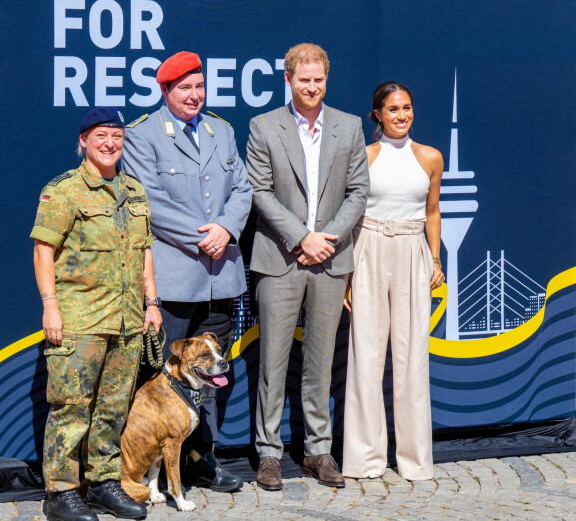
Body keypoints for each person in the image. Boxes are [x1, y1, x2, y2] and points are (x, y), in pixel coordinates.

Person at [122, 51, 252, 493]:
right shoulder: (141, 137)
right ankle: (146, 466)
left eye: (199, 87)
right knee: (163, 377)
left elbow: (244, 188)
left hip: (222, 277)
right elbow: (151, 203)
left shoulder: (223, 131)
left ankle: (203, 458)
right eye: (184, 89)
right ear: (165, 91)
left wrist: (227, 227)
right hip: (176, 277)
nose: (194, 96)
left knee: (212, 374)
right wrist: (203, 236)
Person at [246, 43, 370, 491]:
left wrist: (326, 240)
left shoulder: (350, 126)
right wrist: (302, 238)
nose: (312, 87)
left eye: (319, 80)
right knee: (273, 363)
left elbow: (358, 191)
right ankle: (269, 454)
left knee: (320, 362)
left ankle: (318, 451)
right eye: (304, 80)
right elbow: (259, 191)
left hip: (330, 261)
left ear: (326, 79)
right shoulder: (264, 127)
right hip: (280, 259)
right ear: (289, 80)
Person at [31, 107, 162, 521]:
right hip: (80, 319)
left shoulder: (134, 192)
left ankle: (104, 483)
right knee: (71, 408)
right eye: (102, 135)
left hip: (125, 321)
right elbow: (43, 250)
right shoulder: (65, 190)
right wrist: (50, 306)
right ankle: (61, 492)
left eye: (117, 137)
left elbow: (144, 252)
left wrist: (152, 302)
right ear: (84, 140)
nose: (110, 144)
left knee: (113, 408)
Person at [342, 81, 445, 481]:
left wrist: (435, 259)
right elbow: (350, 214)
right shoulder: (365, 156)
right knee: (366, 356)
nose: (401, 115)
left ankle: (415, 460)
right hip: (367, 248)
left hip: (412, 250)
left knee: (412, 357)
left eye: (406, 107)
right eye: (392, 109)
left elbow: (433, 211)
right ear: (378, 115)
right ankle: (365, 459)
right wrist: (348, 274)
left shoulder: (431, 157)